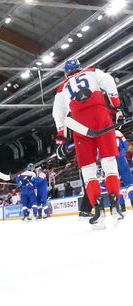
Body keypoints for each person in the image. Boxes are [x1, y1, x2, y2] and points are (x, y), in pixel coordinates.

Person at [52, 58, 124, 224]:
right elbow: (110, 82)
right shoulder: (92, 72)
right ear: (80, 68)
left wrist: (61, 137)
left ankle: (97, 209)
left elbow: (58, 115)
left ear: (66, 73)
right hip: (101, 116)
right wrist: (116, 106)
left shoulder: (62, 88)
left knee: (88, 167)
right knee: (109, 161)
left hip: (79, 124)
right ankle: (115, 205)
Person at [115, 130, 133, 211]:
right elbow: (126, 146)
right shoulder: (117, 132)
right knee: (129, 183)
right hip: (121, 158)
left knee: (117, 185)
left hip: (110, 161)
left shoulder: (101, 134)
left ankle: (122, 207)